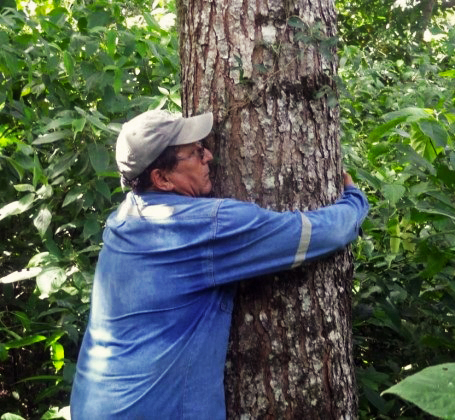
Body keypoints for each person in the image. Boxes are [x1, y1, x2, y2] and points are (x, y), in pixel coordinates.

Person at [70, 109, 369, 419]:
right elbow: (318, 234)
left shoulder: (124, 217)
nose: (210, 156)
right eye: (196, 153)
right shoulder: (208, 227)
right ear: (161, 178)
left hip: (92, 404)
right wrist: (355, 201)